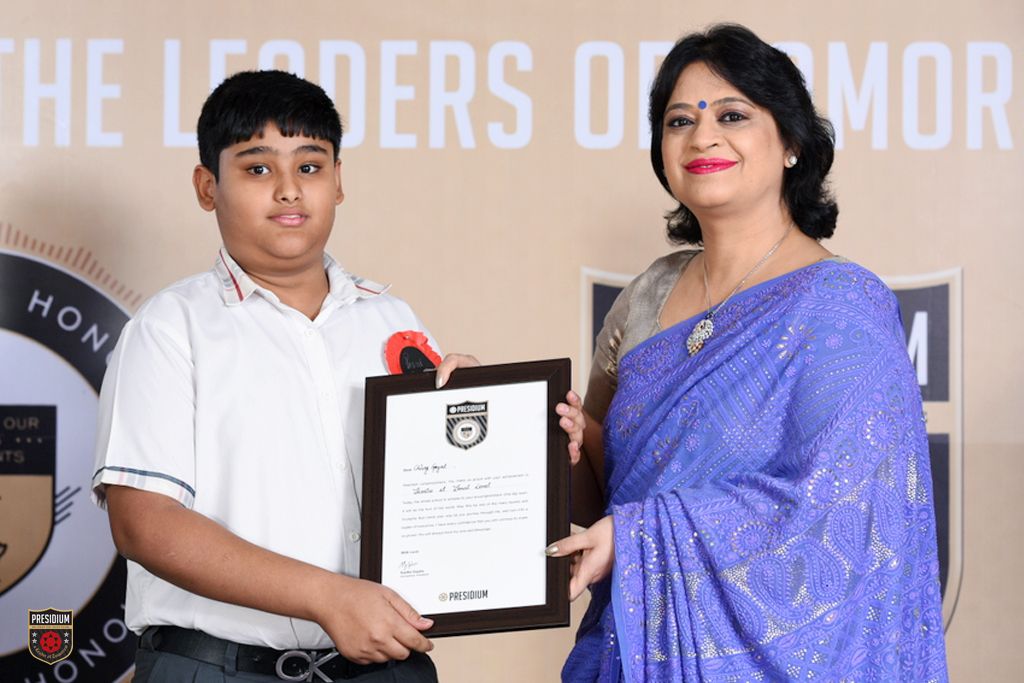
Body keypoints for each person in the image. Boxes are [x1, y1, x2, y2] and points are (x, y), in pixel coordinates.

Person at [549, 24, 949, 682]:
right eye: (680, 121)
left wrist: (644, 537)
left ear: (791, 143)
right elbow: (604, 496)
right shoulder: (645, 297)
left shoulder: (842, 308)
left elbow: (845, 518)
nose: (702, 137)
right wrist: (551, 437)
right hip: (633, 648)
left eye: (732, 115)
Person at [90, 70, 476, 682]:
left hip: (385, 667)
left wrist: (494, 420)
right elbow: (145, 523)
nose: (290, 190)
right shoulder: (171, 328)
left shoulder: (391, 318)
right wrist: (326, 596)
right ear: (208, 186)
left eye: (310, 167)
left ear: (338, 182)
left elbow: (440, 491)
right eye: (258, 168)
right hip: (219, 667)